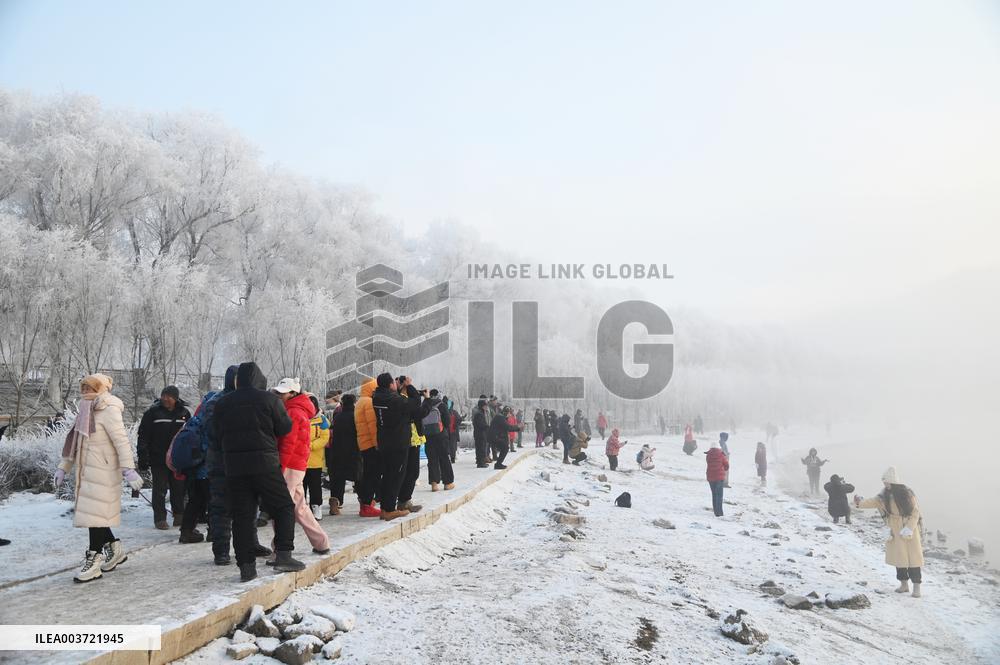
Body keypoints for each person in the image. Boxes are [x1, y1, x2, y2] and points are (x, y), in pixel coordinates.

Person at [213, 362, 304, 582]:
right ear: (259, 379)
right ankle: (284, 555)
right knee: (283, 507)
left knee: (242, 516)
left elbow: (215, 434)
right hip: (265, 464)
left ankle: (246, 567)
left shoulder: (223, 403)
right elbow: (285, 427)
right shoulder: (269, 400)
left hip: (235, 467)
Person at [54, 374, 143, 582]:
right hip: (86, 472)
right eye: (84, 387)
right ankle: (114, 548)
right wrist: (63, 467)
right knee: (95, 516)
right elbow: (75, 443)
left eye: (90, 387)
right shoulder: (86, 409)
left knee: (94, 517)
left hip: (104, 471)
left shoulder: (109, 408)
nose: (86, 390)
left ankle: (94, 559)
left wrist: (128, 469)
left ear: (101, 388)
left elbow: (121, 440)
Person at [205, 366, 273, 566]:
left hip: (245, 462)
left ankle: (251, 543)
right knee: (221, 507)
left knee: (249, 504)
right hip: (222, 462)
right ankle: (221, 550)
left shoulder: (248, 400)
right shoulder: (217, 403)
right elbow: (212, 433)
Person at [273, 378, 330, 555]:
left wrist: (280, 466)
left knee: (281, 507)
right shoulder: (300, 410)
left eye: (283, 392)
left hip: (290, 464)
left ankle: (279, 548)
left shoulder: (292, 412)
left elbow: (288, 443)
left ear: (293, 393)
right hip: (297, 464)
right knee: (300, 508)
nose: (279, 395)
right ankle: (321, 542)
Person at [855, 467, 924, 597]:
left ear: (893, 481)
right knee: (899, 559)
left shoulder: (907, 494)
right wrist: (859, 503)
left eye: (886, 481)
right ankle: (904, 585)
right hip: (894, 529)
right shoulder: (883, 496)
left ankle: (917, 587)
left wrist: (909, 528)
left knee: (913, 560)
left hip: (908, 529)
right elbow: (872, 502)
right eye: (884, 481)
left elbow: (915, 513)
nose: (884, 484)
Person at [136, 385, 190, 530]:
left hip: (177, 459)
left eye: (169, 396)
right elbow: (143, 436)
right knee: (160, 490)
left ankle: (179, 515)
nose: (165, 399)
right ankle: (160, 518)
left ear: (176, 398)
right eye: (163, 396)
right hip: (158, 458)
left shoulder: (184, 413)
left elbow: (190, 435)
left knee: (179, 489)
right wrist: (143, 456)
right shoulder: (152, 413)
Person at [372, 373, 420, 520]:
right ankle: (389, 510)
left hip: (384, 442)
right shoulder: (394, 400)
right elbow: (415, 402)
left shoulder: (377, 397)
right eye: (393, 382)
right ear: (390, 384)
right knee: (396, 476)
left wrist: (399, 389)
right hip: (398, 443)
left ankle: (385, 508)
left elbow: (397, 404)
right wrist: (409, 386)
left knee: (387, 475)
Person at [395, 377, 428, 514]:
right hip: (409, 439)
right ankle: (403, 500)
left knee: (411, 471)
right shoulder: (403, 400)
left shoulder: (404, 399)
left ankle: (404, 500)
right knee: (411, 471)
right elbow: (421, 412)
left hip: (411, 438)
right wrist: (426, 399)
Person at [353, 379, 382, 517]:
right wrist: (377, 444)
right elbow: (372, 425)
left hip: (363, 443)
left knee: (368, 474)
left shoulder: (360, 401)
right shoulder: (369, 402)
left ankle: (366, 503)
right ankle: (367, 505)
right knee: (372, 475)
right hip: (371, 443)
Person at [326, 393, 358, 515]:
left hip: (337, 451)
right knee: (359, 477)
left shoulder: (338, 417)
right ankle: (365, 502)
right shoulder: (355, 416)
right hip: (354, 451)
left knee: (337, 479)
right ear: (354, 403)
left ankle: (335, 503)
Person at [422, 389, 455, 491]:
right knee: (444, 458)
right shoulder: (441, 405)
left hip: (428, 437)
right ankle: (448, 483)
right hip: (441, 436)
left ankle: (434, 484)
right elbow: (447, 422)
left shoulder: (424, 405)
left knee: (432, 460)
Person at [304, 394, 330, 521]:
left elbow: (324, 437)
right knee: (300, 487)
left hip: (315, 460)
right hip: (300, 459)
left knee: (315, 486)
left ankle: (316, 507)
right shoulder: (299, 417)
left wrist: (311, 445)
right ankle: (302, 509)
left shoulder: (322, 420)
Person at [705, 440, 729, 517]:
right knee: (719, 495)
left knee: (714, 494)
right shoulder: (721, 455)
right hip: (719, 477)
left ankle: (716, 511)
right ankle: (719, 513)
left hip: (711, 477)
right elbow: (726, 465)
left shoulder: (708, 455)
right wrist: (724, 469)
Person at [472, 399, 490, 468]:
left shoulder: (480, 413)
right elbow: (481, 425)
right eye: (485, 405)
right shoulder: (479, 414)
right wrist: (487, 427)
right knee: (481, 448)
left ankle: (481, 462)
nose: (486, 407)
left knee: (481, 448)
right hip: (480, 434)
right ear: (482, 406)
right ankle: (481, 463)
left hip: (480, 434)